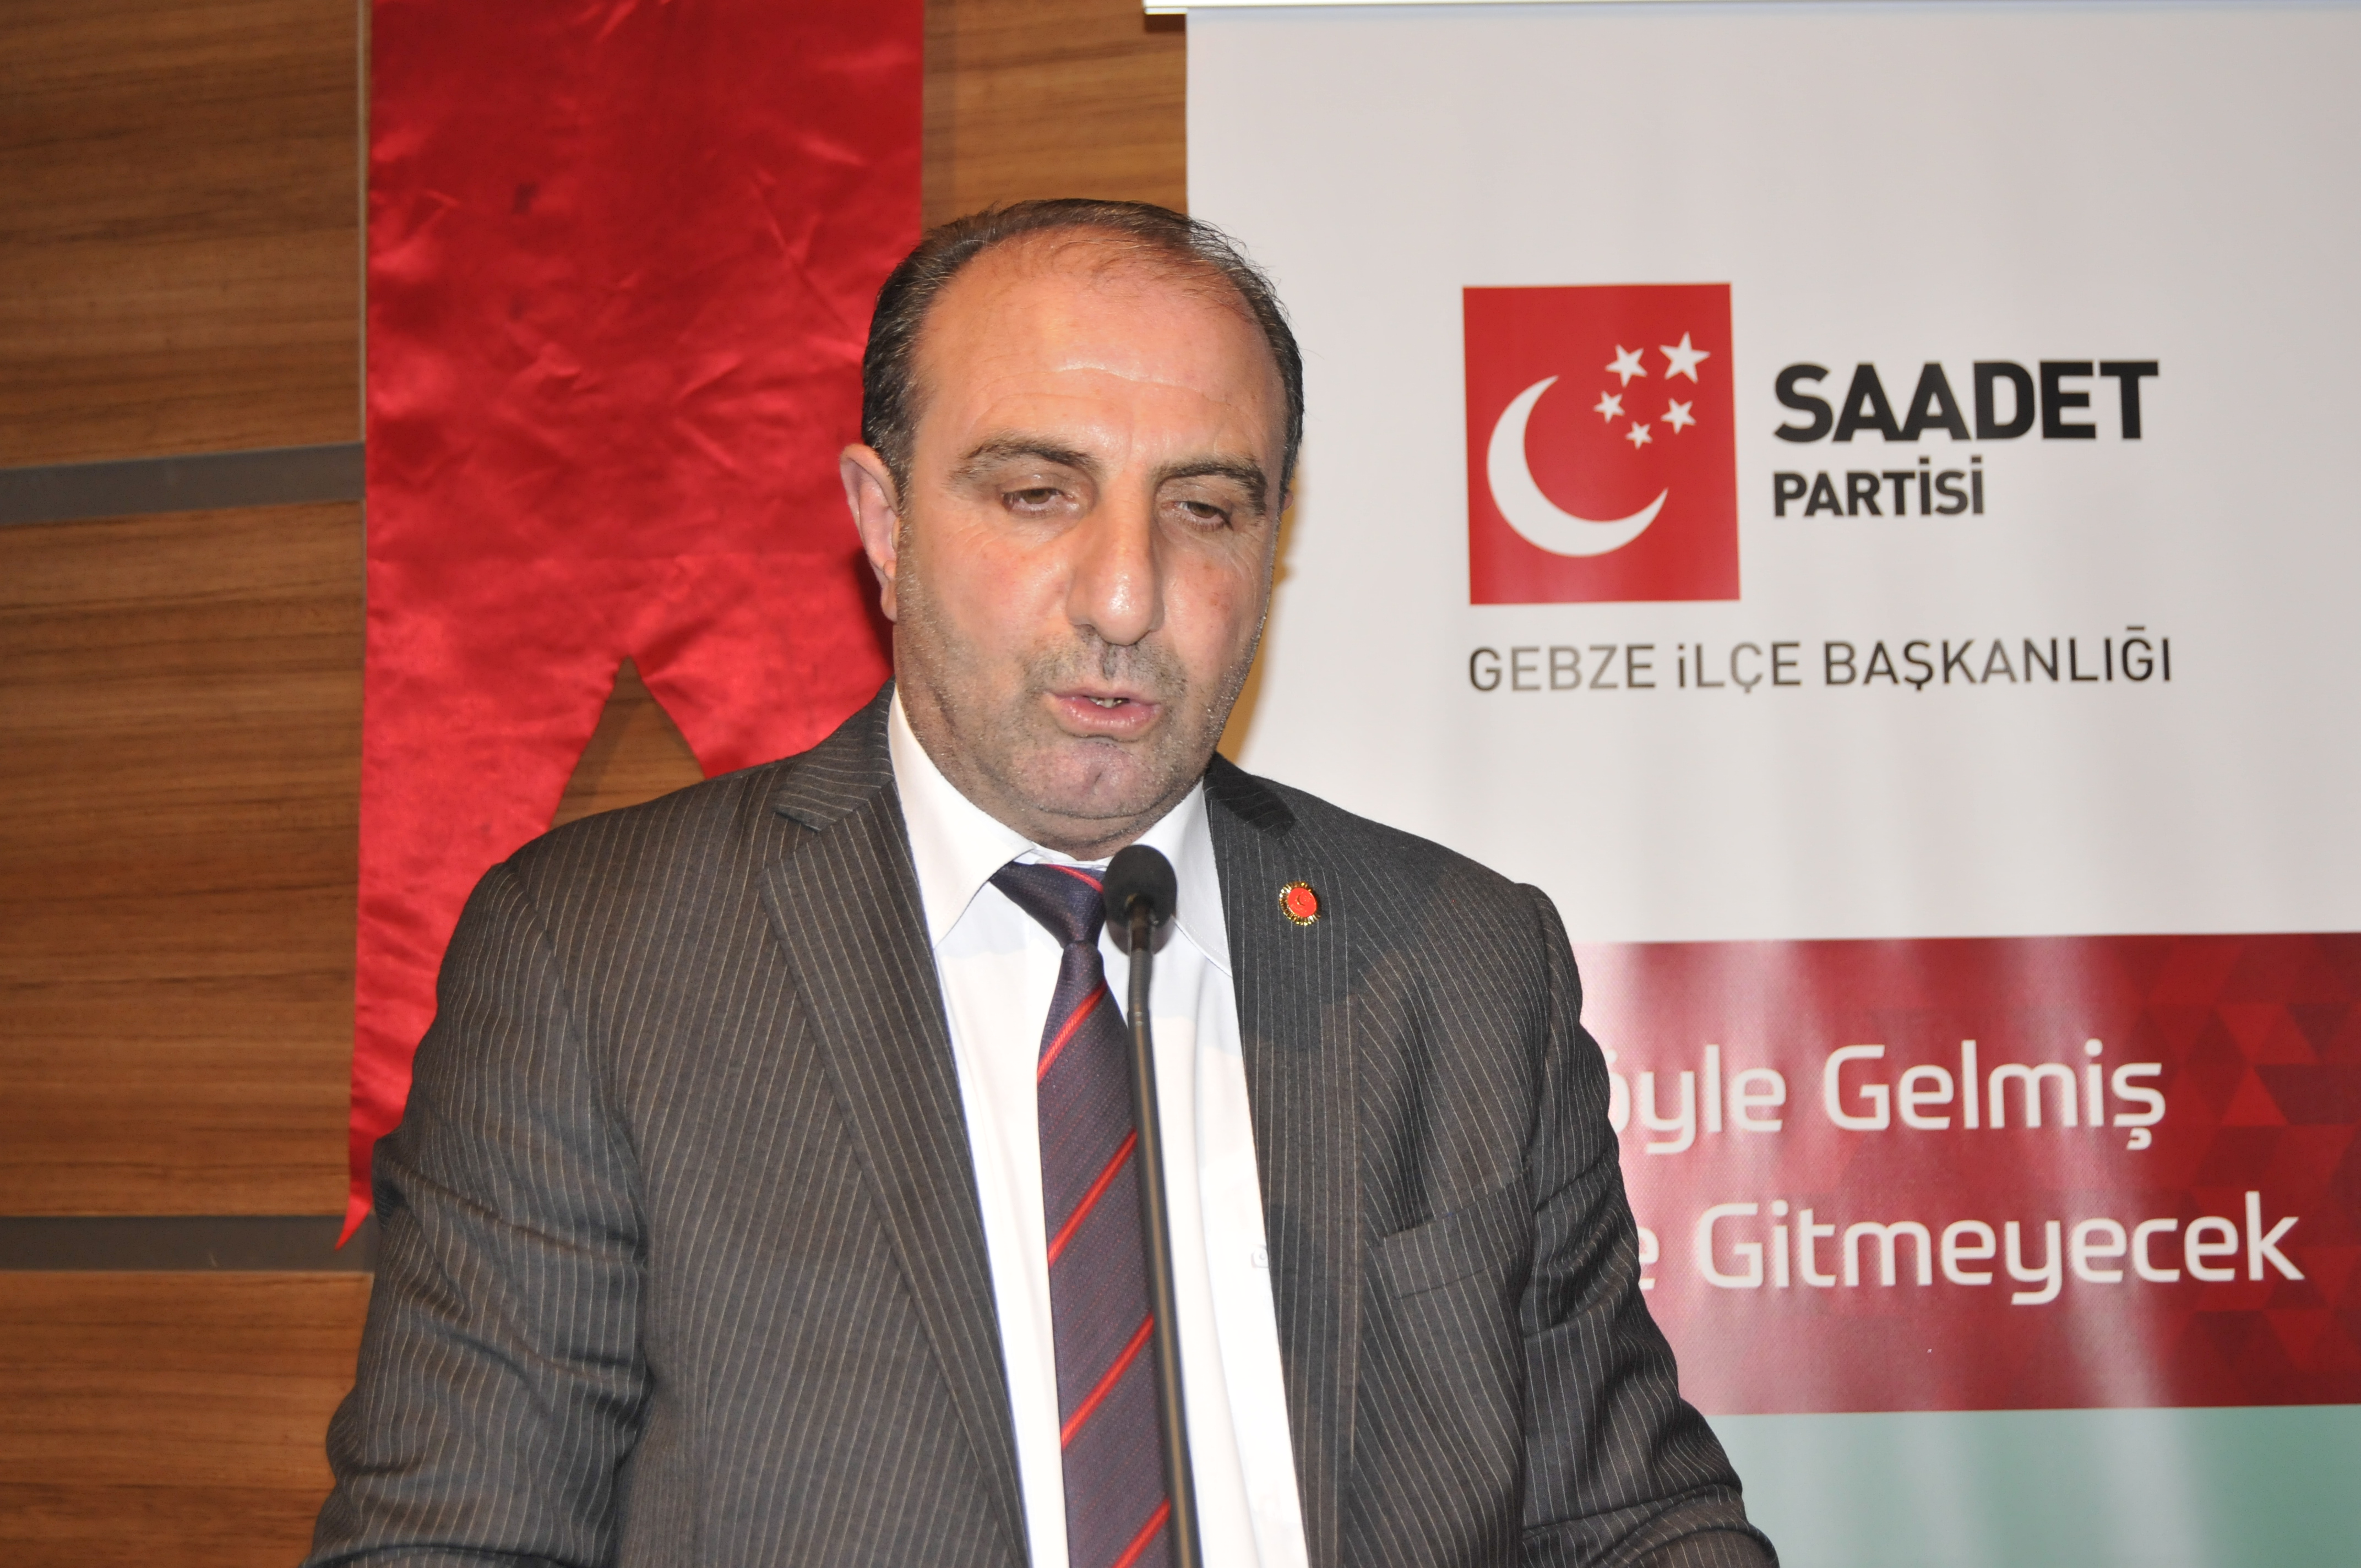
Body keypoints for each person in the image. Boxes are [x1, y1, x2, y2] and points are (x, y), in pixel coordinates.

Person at [309, 200, 1774, 1568]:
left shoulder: (1465, 965)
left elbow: (1632, 1523)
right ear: (884, 524)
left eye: (1204, 509)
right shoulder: (596, 960)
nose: (1126, 596)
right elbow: (453, 1540)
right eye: (1035, 494)